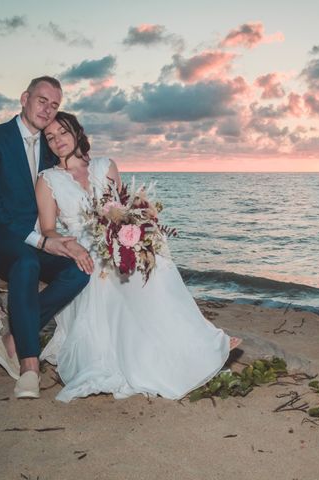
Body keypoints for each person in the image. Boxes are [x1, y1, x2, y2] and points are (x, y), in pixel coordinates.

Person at [35, 112, 241, 402]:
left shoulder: (105, 165)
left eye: (63, 133)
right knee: (108, 282)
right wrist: (71, 247)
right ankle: (152, 355)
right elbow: (47, 229)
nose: (58, 141)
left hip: (113, 237)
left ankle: (196, 342)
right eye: (50, 137)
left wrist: (137, 227)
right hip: (80, 247)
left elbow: (122, 209)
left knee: (157, 267)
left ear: (77, 133)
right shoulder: (48, 180)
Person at [0, 77, 93, 400]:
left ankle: (12, 338)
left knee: (81, 270)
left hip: (42, 238)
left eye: (54, 105)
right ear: (25, 98)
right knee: (25, 263)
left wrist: (67, 239)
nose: (48, 109)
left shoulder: (52, 149)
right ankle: (29, 366)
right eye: (42, 101)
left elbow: (71, 183)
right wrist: (41, 242)